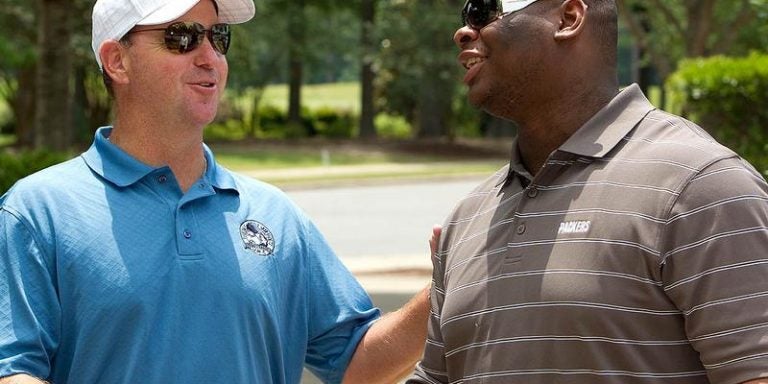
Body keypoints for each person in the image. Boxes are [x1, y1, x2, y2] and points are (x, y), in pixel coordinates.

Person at [0, 0, 430, 383]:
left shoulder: (274, 213)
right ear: (117, 61)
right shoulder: (38, 213)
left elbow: (356, 362)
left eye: (218, 37)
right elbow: (14, 370)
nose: (209, 57)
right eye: (181, 37)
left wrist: (447, 286)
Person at [408, 0, 768, 383]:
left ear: (569, 18)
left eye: (483, 9)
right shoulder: (469, 215)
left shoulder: (700, 186)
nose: (463, 32)